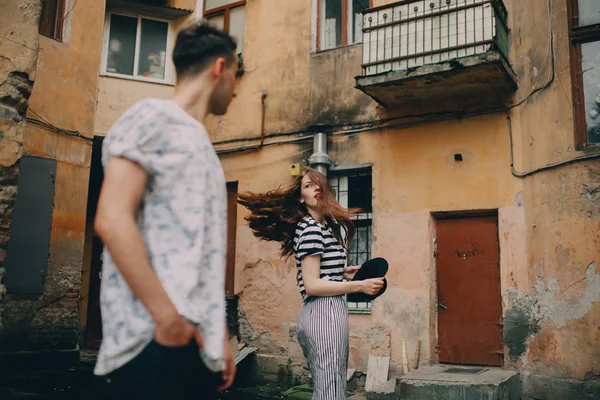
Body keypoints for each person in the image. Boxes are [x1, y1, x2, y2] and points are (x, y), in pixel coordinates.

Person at [93, 21, 239, 399]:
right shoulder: (152, 117)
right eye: (236, 74)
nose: (237, 89)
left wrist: (218, 335)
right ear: (219, 68)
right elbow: (111, 218)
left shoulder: (203, 146)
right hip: (152, 344)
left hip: (195, 348)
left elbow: (203, 255)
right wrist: (168, 320)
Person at [238, 168, 384, 399]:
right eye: (308, 186)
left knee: (332, 387)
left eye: (318, 184)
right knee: (330, 391)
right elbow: (312, 285)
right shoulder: (311, 229)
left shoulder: (325, 227)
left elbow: (319, 272)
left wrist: (342, 272)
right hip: (322, 313)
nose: (315, 188)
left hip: (328, 312)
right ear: (300, 197)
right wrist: (359, 286)